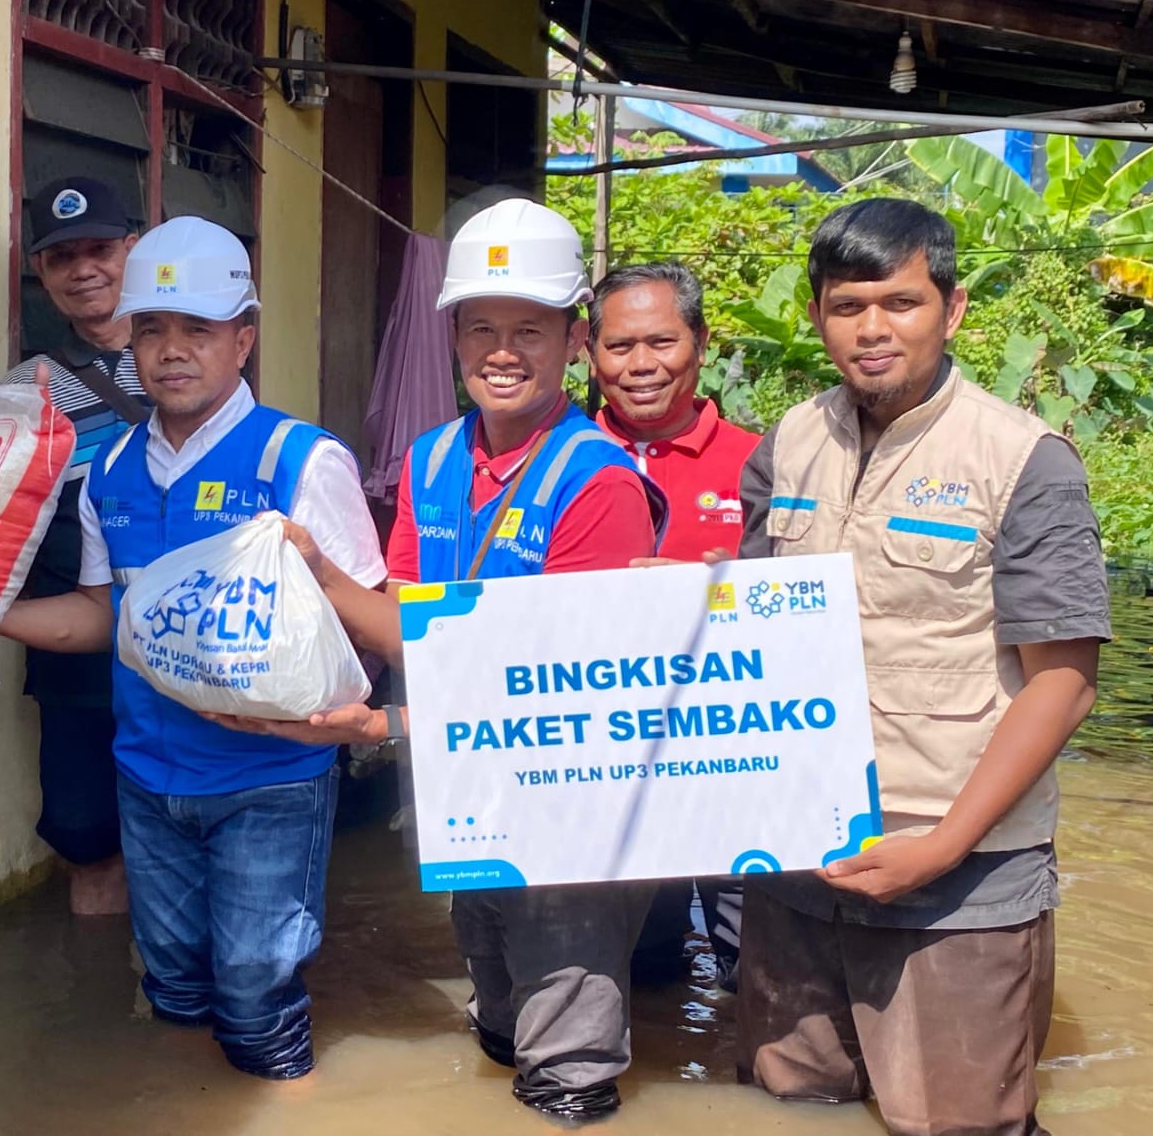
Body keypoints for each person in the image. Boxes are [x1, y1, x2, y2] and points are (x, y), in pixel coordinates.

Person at [224, 199, 664, 1120]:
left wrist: (375, 713)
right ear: (452, 335)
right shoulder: (430, 460)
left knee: (566, 1057)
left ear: (574, 339)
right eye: (479, 328)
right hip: (463, 778)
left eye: (528, 331)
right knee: (496, 1013)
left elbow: (571, 692)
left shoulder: (599, 482)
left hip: (567, 796)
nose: (501, 352)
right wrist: (313, 585)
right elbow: (408, 625)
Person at [728, 198, 1108, 1135]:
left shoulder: (1022, 460)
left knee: (958, 1122)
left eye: (899, 303)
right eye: (846, 305)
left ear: (952, 308)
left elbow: (1062, 684)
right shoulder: (788, 442)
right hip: (798, 859)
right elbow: (753, 634)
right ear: (816, 315)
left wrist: (941, 847)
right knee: (789, 1103)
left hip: (959, 876)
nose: (872, 329)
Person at [0, 215, 386, 1079]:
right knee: (172, 988)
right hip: (146, 777)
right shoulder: (110, 472)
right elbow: (101, 616)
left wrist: (354, 725)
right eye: (151, 329)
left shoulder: (297, 459)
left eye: (198, 330)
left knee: (254, 999)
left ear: (242, 339)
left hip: (271, 781)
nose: (171, 351)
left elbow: (371, 620)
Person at [588, 262, 761, 992]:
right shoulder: (562, 459)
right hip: (604, 762)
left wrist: (729, 591)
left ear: (701, 342)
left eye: (661, 342)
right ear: (588, 353)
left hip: (733, 756)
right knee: (636, 972)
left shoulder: (761, 463)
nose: (640, 365)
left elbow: (805, 612)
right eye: (618, 346)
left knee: (756, 969)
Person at [2, 176, 148, 916]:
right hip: (76, 655)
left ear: (133, 250)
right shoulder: (24, 388)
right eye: (63, 257)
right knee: (88, 841)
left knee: (190, 833)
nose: (83, 270)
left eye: (100, 250)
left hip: (189, 645)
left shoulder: (187, 357)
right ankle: (93, 982)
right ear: (40, 270)